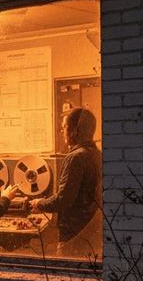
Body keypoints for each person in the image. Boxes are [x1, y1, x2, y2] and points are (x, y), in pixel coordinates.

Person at [30, 107, 102, 255]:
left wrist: (39, 203)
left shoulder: (75, 157)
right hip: (91, 233)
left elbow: (63, 199)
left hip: (73, 237)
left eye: (64, 127)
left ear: (75, 130)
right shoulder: (97, 154)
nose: (62, 131)